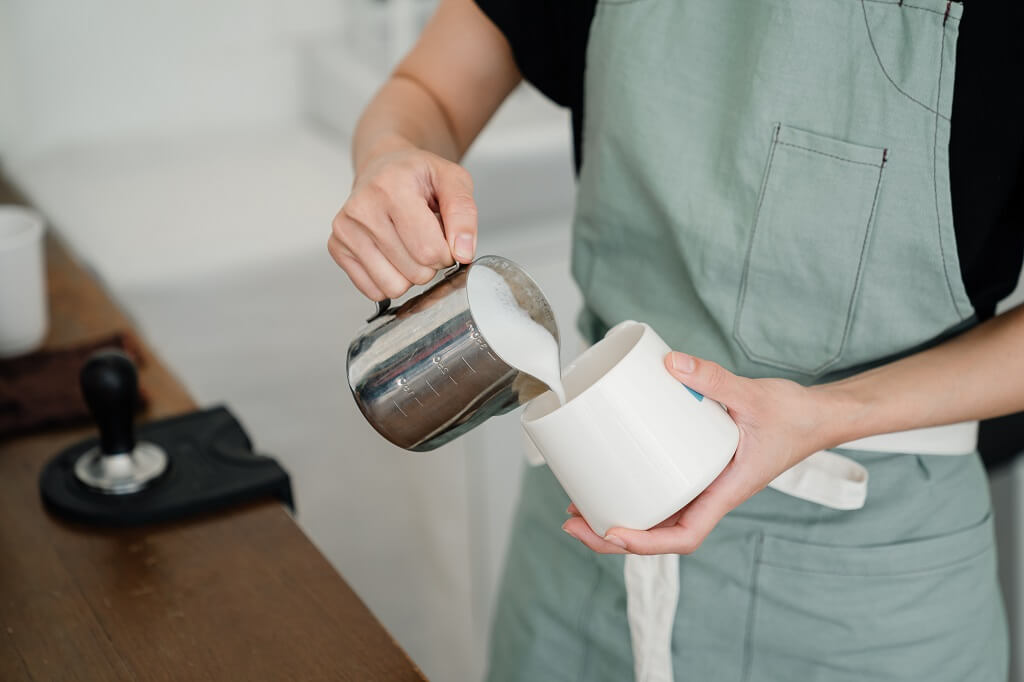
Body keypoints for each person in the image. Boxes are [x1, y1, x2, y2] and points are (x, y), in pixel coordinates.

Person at [328, 0, 1024, 679]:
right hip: (587, 538)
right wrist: (390, 157)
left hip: (869, 588)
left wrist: (833, 415)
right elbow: (427, 93)